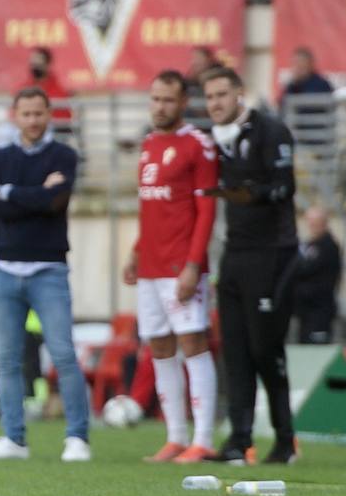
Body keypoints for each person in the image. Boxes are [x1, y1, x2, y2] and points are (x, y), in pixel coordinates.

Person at [0, 88, 91, 462]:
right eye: (26, 113)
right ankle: (14, 438)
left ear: (49, 115)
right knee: (6, 359)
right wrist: (35, 194)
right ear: (16, 115)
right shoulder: (0, 156)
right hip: (6, 269)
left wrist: (12, 194)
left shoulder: (65, 155)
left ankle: (77, 437)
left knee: (62, 353)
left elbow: (56, 202)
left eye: (39, 113)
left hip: (48, 269)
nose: (33, 120)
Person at [201, 66, 300, 465]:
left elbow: (285, 186)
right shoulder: (214, 139)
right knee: (235, 350)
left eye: (222, 95)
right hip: (236, 252)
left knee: (265, 348)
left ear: (239, 93)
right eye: (209, 97)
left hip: (272, 252)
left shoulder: (270, 130)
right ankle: (239, 440)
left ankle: (285, 439)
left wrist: (247, 194)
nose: (215, 104)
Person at [121, 71, 221, 463]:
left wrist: (193, 265)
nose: (159, 107)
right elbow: (153, 208)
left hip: (182, 265)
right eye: (155, 98)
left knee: (193, 344)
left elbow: (206, 210)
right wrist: (135, 251)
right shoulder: (148, 143)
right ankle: (176, 436)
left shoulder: (199, 146)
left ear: (183, 104)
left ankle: (204, 438)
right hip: (150, 266)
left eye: (167, 100)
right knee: (159, 348)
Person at [294, 207, 342, 344]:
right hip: (305, 310)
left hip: (319, 310)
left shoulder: (328, 246)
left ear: (324, 222)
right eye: (310, 221)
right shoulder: (308, 245)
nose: (312, 225)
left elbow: (304, 268)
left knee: (317, 349)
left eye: (316, 222)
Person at [26, 47, 74, 137]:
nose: (35, 66)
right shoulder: (25, 86)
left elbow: (62, 116)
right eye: (33, 63)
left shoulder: (58, 88)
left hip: (53, 128)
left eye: (38, 62)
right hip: (28, 128)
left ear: (47, 64)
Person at [184, 46, 225, 125]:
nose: (194, 62)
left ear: (208, 59)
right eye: (193, 58)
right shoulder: (190, 79)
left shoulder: (220, 76)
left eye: (198, 58)